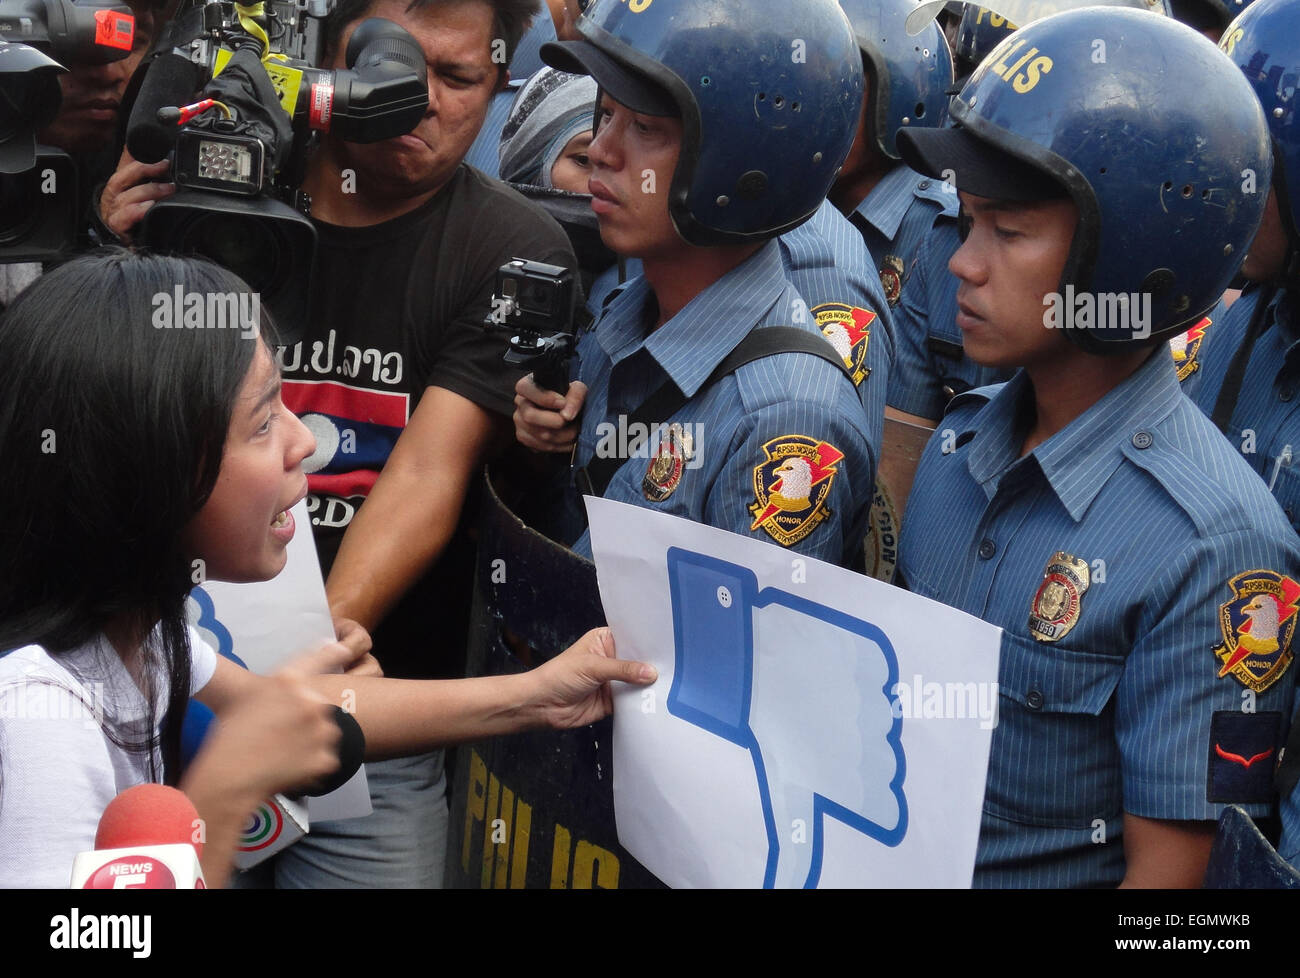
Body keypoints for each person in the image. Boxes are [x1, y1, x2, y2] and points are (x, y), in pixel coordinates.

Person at [105, 0, 580, 889]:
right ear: (329, 57)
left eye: (460, 79)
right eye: (396, 71)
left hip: (375, 719)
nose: (424, 103)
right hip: (167, 687)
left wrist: (293, 681)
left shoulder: (510, 246)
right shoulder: (219, 180)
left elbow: (427, 478)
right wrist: (121, 266)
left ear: (502, 81)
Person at [0, 250, 653, 889]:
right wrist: (224, 790)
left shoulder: (141, 635)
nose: (304, 442)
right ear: (147, 474)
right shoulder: (40, 722)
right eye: (261, 424)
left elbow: (309, 714)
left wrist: (540, 694)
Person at [893, 7, 1300, 887]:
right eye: (968, 225)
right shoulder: (958, 447)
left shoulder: (1216, 548)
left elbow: (1174, 901)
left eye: (1008, 231)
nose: (962, 263)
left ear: (1129, 257)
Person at [516, 0, 878, 568]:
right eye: (605, 114)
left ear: (744, 163)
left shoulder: (783, 416)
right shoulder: (625, 311)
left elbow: (745, 653)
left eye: (645, 128)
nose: (603, 152)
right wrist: (547, 445)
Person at [829, 0, 958, 309]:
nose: (813, 109)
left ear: (901, 101)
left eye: (840, 85)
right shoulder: (796, 202)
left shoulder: (943, 232)